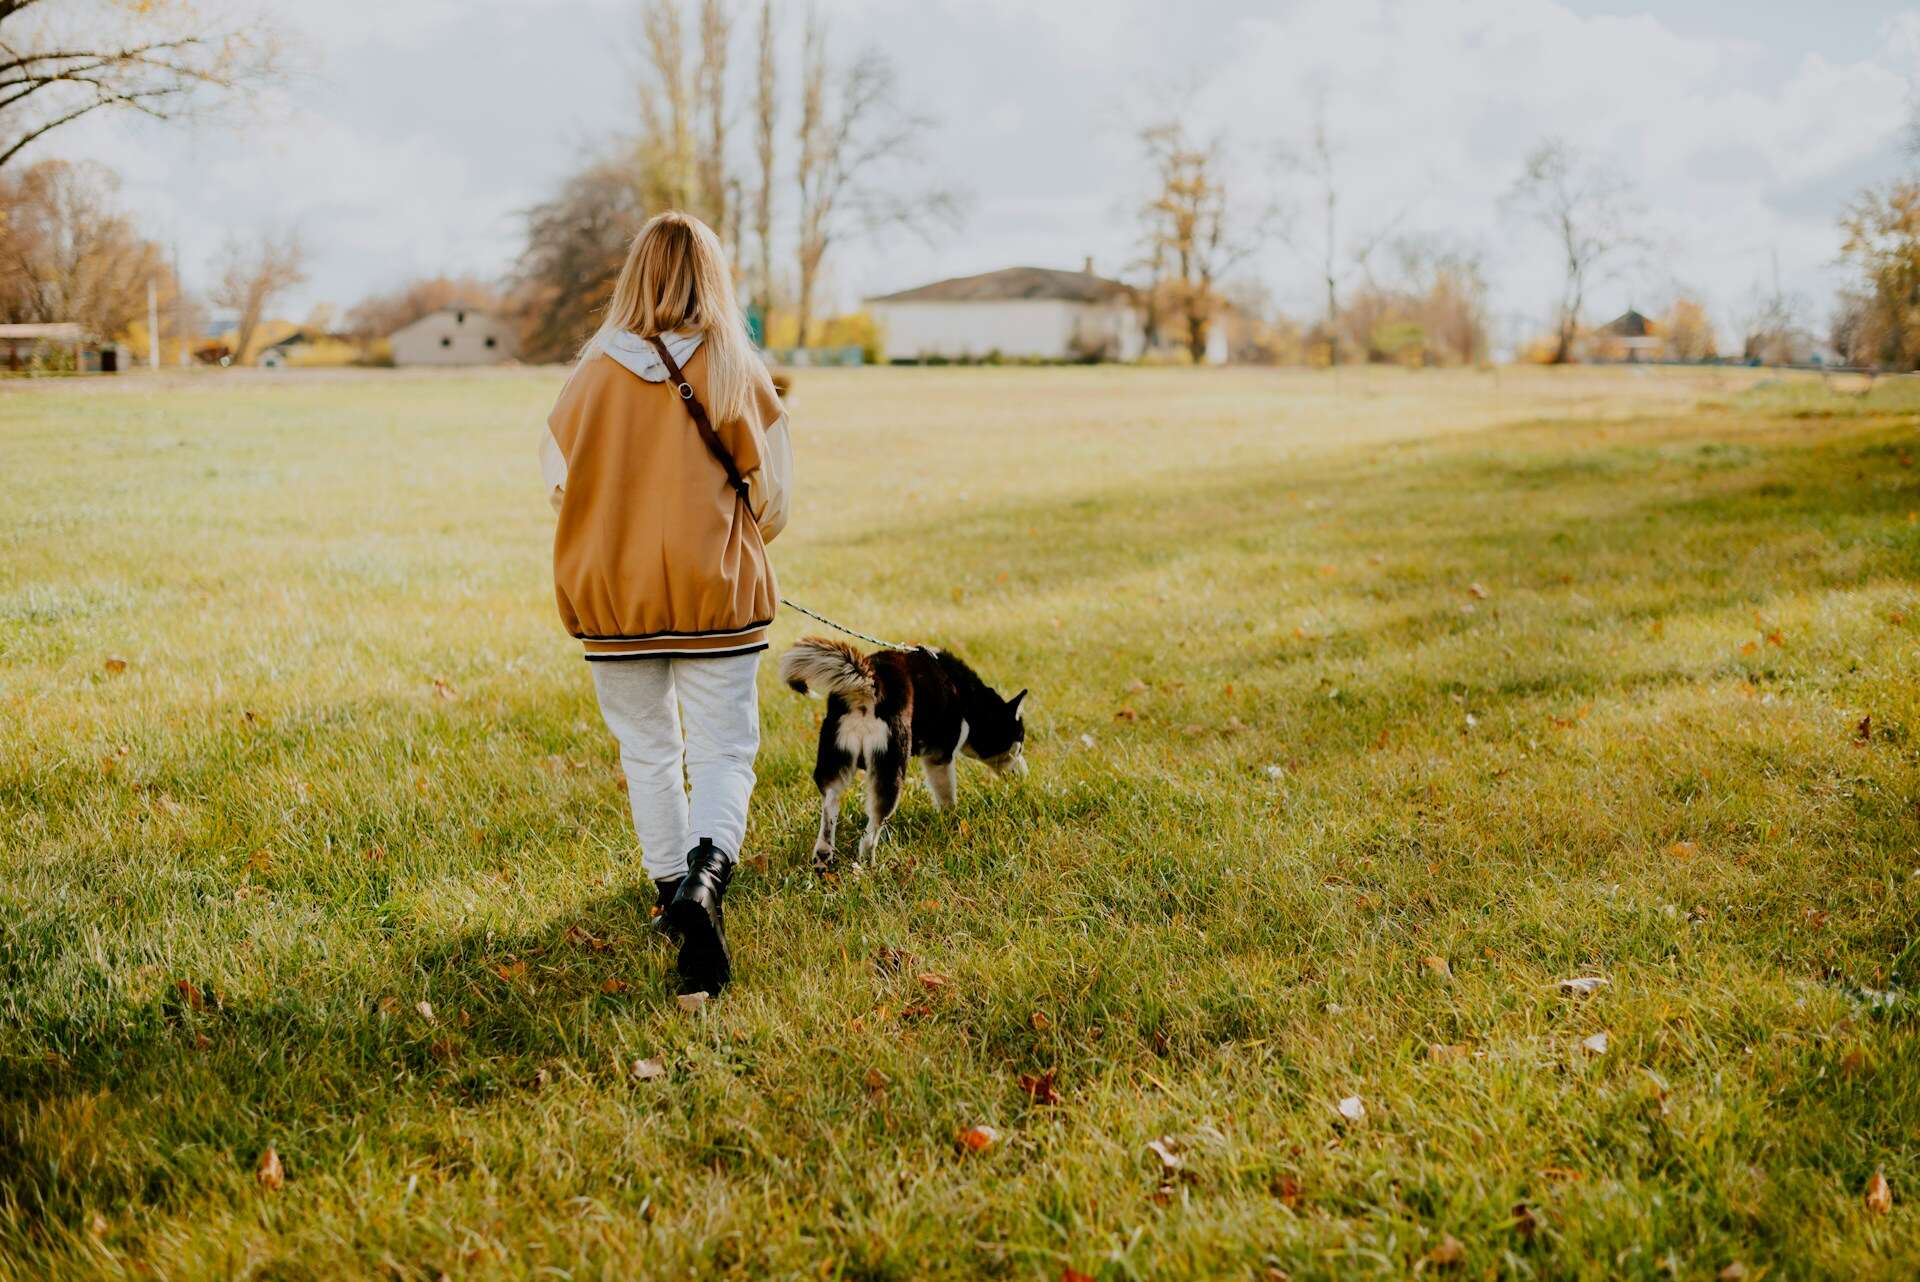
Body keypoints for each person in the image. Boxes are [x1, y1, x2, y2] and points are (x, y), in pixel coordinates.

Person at [539, 211, 792, 996]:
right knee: (724, 751)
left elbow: (558, 486)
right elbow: (773, 495)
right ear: (711, 275)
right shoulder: (733, 370)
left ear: (635, 274)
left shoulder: (587, 378)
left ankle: (666, 892)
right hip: (715, 596)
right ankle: (704, 883)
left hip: (615, 599)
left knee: (648, 751)